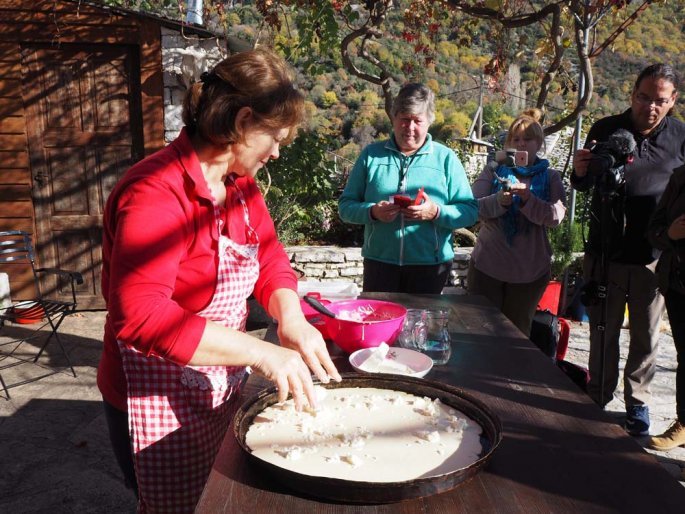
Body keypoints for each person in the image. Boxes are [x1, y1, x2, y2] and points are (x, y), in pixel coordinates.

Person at [96, 49, 341, 513]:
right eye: (276, 139)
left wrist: (290, 317)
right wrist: (262, 352)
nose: (276, 153)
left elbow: (269, 256)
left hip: (217, 383)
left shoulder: (239, 186)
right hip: (155, 400)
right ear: (244, 120)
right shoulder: (154, 192)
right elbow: (141, 316)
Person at [571, 63, 685, 436]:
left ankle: (637, 403)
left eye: (659, 100)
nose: (650, 106)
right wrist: (580, 171)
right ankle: (597, 396)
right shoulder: (606, 129)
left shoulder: (681, 137)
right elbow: (582, 185)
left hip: (653, 256)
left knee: (645, 337)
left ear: (673, 100)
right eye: (643, 97)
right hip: (604, 252)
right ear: (632, 93)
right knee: (601, 333)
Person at [338, 83, 478, 293]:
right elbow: (345, 207)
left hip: (430, 268)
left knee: (421, 317)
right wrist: (373, 212)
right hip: (380, 265)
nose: (410, 127)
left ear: (429, 121)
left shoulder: (446, 159)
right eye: (404, 119)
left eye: (417, 121)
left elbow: (469, 212)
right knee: (380, 315)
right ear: (393, 118)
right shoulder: (371, 155)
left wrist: (435, 212)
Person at [467, 109, 567, 337]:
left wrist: (528, 200)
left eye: (528, 139)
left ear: (539, 143)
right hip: (487, 266)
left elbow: (555, 217)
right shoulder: (494, 171)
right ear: (509, 143)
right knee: (480, 331)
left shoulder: (551, 177)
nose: (521, 144)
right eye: (516, 139)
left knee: (517, 335)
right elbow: (472, 208)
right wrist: (499, 201)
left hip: (530, 272)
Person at [647, 164, 685, 449]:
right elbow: (654, 230)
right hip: (678, 283)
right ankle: (684, 423)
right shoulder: (681, 177)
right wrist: (670, 233)